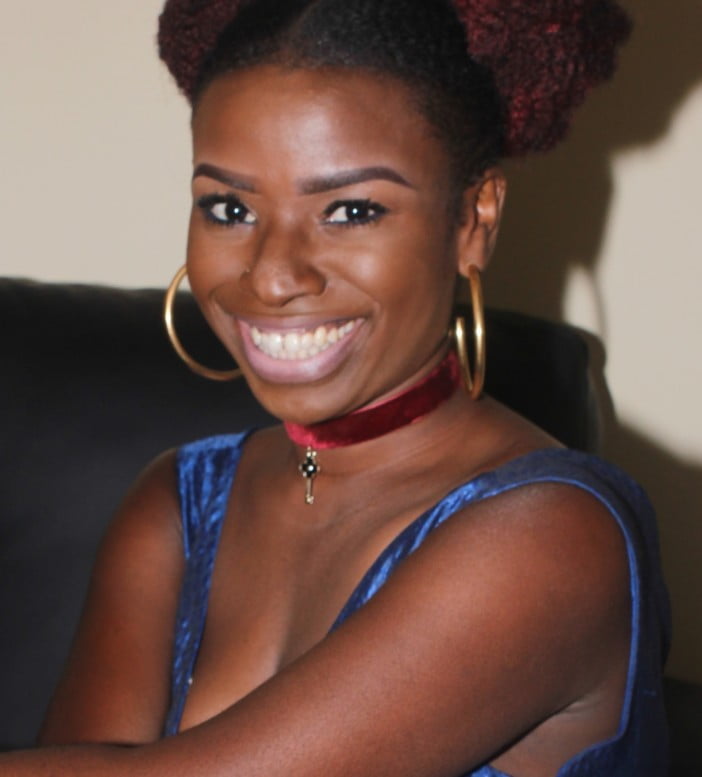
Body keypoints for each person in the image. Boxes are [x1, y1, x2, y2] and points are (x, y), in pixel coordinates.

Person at [1, 0, 670, 774]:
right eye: (230, 207)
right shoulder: (177, 505)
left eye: (351, 210)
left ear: (474, 221)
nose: (272, 274)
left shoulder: (553, 536)